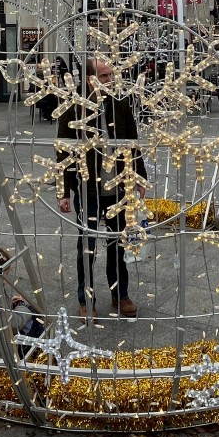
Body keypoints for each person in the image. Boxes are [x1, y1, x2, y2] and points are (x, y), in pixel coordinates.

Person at [57, 57, 147, 319]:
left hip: (118, 189)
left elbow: (132, 142)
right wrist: (63, 191)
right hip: (88, 190)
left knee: (118, 245)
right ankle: (86, 300)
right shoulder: (74, 108)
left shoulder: (119, 103)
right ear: (90, 79)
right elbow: (63, 152)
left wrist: (139, 176)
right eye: (105, 76)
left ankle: (120, 295)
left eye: (111, 75)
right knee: (87, 247)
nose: (110, 80)